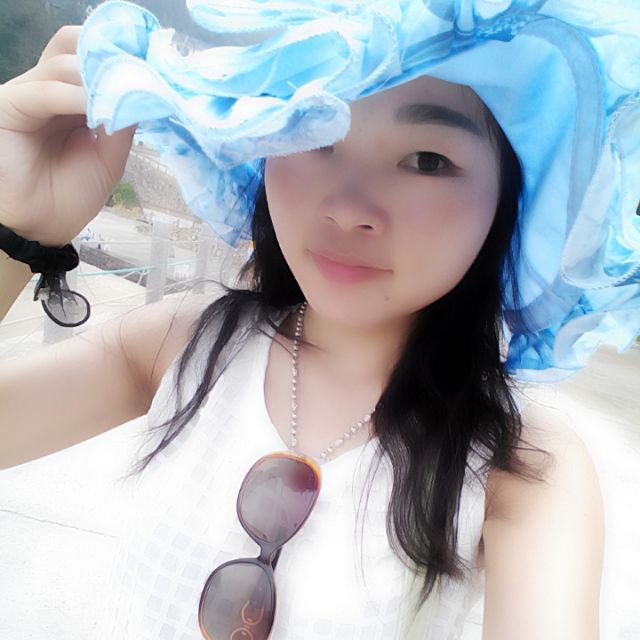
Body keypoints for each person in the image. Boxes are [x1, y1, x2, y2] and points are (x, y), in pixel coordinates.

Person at [2, 0, 638, 638]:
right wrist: (14, 228)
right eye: (311, 131)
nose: (348, 208)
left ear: (509, 199)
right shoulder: (180, 345)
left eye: (427, 159)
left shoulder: (519, 466)